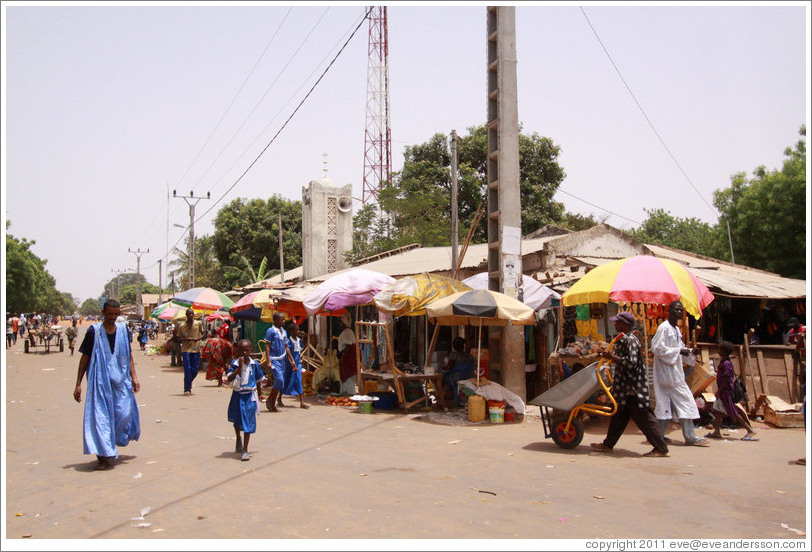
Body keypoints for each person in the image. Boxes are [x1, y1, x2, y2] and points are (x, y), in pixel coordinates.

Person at [590, 312, 670, 457]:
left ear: (625, 324)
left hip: (633, 388)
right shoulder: (624, 339)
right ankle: (608, 444)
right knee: (618, 416)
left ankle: (661, 448)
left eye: (617, 322)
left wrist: (612, 357)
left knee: (644, 418)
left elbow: (631, 363)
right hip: (624, 389)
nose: (615, 324)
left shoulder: (631, 340)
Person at [72, 300, 140, 471]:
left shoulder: (124, 330)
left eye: (115, 314)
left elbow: (129, 354)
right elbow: (85, 358)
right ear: (103, 312)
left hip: (120, 382)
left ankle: (109, 444)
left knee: (123, 413)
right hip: (100, 383)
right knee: (101, 418)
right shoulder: (93, 332)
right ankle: (103, 456)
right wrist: (78, 384)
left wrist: (134, 376)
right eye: (109, 314)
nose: (112, 317)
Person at [651, 301, 710, 447]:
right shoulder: (663, 328)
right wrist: (678, 351)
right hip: (666, 374)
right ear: (669, 311)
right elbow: (657, 348)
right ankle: (689, 436)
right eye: (676, 309)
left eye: (680, 310)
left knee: (667, 404)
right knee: (684, 402)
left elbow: (680, 348)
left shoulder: (676, 330)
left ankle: (659, 436)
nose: (678, 312)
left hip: (674, 373)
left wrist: (689, 352)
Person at [706, 341, 758, 441]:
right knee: (717, 411)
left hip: (726, 392)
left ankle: (750, 430)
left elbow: (726, 379)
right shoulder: (724, 361)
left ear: (724, 351)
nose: (718, 351)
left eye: (720, 349)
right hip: (723, 392)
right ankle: (716, 432)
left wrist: (719, 391)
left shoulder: (726, 363)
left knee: (733, 412)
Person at [226, 339, 266, 461]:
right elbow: (229, 378)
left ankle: (245, 450)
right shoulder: (235, 363)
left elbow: (259, 380)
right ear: (237, 351)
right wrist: (238, 369)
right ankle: (238, 437)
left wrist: (260, 394)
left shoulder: (255, 365)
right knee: (238, 419)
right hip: (237, 395)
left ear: (251, 351)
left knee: (248, 421)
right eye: (241, 350)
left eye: (247, 350)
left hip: (249, 396)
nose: (244, 352)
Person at [264, 312, 290, 412]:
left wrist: (291, 361)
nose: (283, 321)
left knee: (280, 383)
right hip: (274, 359)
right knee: (279, 380)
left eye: (284, 319)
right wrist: (268, 360)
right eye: (281, 319)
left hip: (283, 359)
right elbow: (267, 345)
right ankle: (271, 400)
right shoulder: (271, 331)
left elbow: (286, 346)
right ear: (275, 320)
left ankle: (270, 402)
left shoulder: (284, 331)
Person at [177, 308, 204, 396]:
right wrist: (185, 339)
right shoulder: (182, 325)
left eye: (192, 314)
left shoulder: (198, 323)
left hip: (195, 348)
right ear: (186, 315)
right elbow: (178, 338)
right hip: (185, 349)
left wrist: (198, 339)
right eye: (189, 314)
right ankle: (187, 389)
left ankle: (189, 381)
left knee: (195, 368)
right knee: (187, 368)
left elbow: (204, 333)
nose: (191, 315)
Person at [442, 337, 476, 407]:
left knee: (442, 379)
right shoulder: (469, 355)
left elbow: (448, 367)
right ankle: (462, 399)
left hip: (457, 378)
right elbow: (474, 363)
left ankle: (446, 399)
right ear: (463, 346)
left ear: (454, 346)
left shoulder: (454, 354)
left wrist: (442, 368)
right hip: (469, 377)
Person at [283, 322, 310, 409]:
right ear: (291, 331)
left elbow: (299, 350)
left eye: (298, 329)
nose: (298, 331)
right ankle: (279, 397)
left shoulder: (299, 340)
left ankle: (302, 402)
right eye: (296, 330)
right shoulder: (288, 341)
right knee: (286, 379)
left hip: (297, 363)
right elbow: (288, 353)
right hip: (289, 363)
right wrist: (292, 363)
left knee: (299, 380)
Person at [337, 312, 358, 395]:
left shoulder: (347, 332)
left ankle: (350, 394)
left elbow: (348, 346)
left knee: (348, 377)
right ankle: (344, 394)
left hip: (348, 358)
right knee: (345, 377)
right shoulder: (348, 332)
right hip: (347, 357)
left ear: (342, 323)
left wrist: (343, 357)